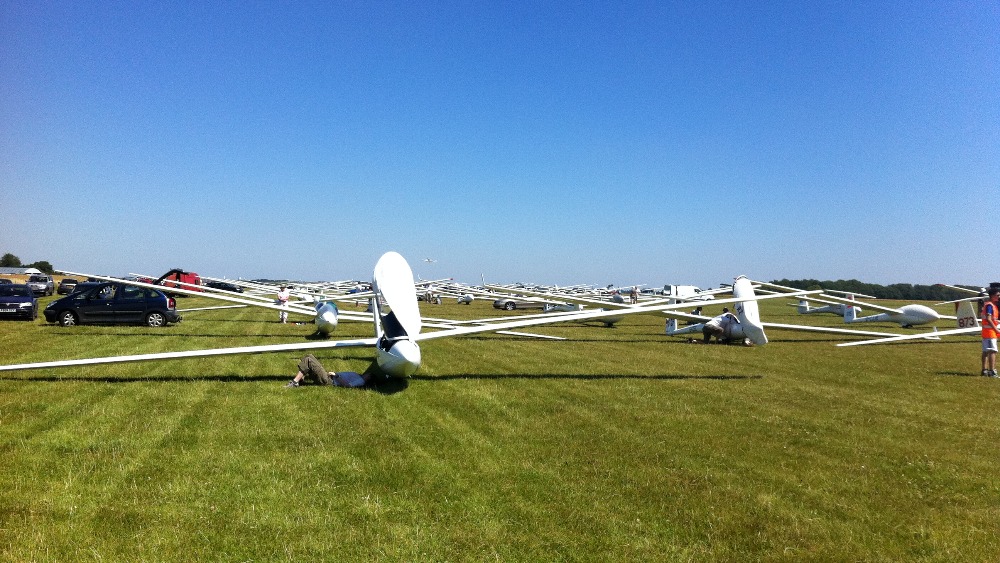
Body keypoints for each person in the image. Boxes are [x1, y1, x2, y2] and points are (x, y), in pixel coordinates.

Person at [285, 354, 373, 388]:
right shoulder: (358, 376)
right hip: (328, 377)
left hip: (328, 380)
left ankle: (295, 382)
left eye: (369, 375)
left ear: (369, 379)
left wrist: (335, 375)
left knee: (309, 360)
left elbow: (348, 385)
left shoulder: (361, 381)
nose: (367, 374)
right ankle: (301, 379)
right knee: (309, 356)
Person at [982, 288, 1000, 377]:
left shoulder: (990, 305)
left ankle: (984, 370)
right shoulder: (990, 306)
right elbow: (989, 319)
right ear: (992, 296)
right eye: (997, 295)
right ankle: (991, 371)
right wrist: (996, 330)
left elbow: (992, 319)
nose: (999, 297)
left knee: (985, 351)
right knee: (992, 351)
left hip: (986, 332)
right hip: (990, 332)